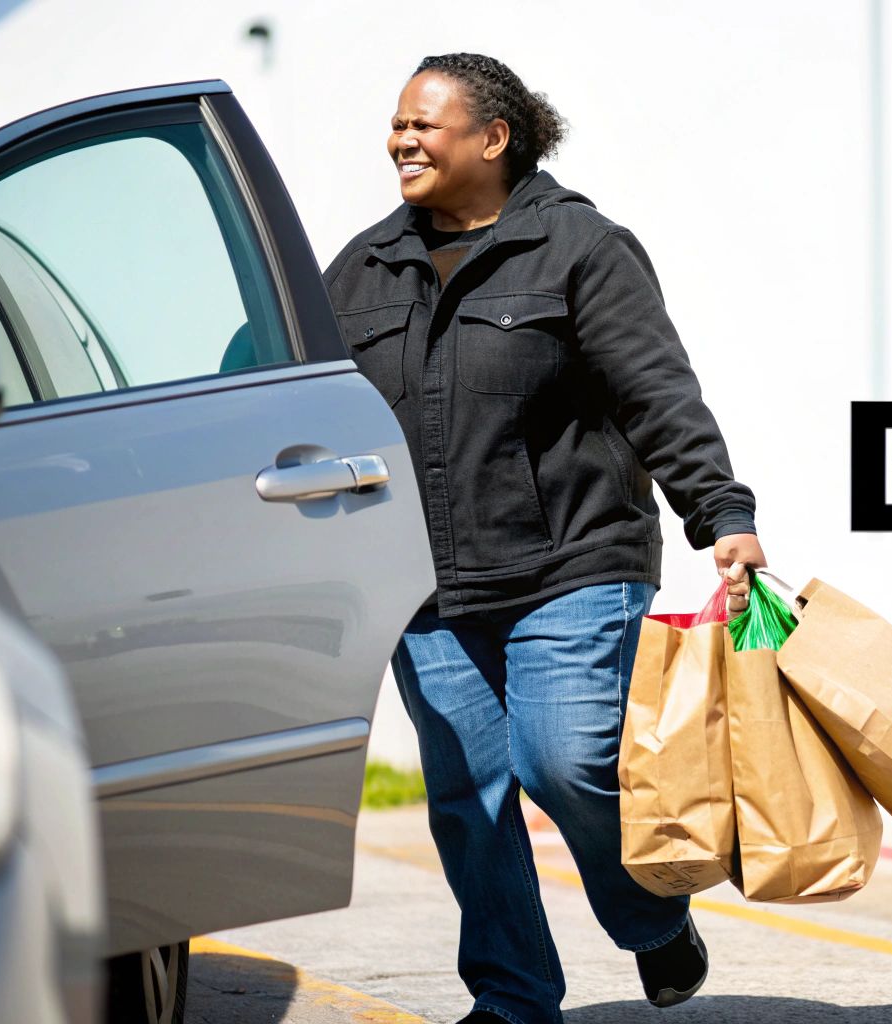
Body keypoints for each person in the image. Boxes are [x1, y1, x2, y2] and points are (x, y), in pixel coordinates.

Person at [322, 52, 765, 1024]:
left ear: (493, 136)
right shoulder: (360, 270)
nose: (402, 138)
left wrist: (721, 514)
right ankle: (513, 998)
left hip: (572, 558)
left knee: (561, 758)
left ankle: (651, 921)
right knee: (468, 800)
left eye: (425, 123)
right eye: (397, 122)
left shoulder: (579, 248)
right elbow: (308, 408)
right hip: (429, 584)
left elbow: (655, 390)